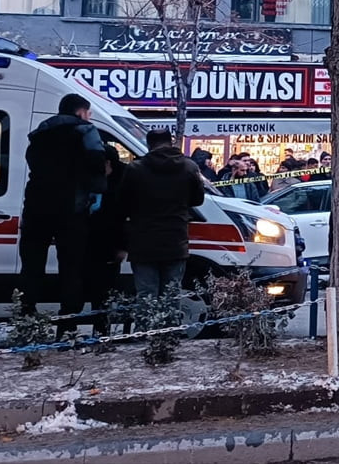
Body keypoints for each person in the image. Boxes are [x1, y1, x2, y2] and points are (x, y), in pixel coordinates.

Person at [18, 93, 107, 326]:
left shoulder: (40, 132)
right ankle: (68, 319)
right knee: (71, 266)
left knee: (32, 263)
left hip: (36, 205)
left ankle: (26, 314)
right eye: (88, 113)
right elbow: (97, 163)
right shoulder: (85, 130)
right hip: (71, 207)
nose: (89, 117)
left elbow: (33, 162)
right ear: (80, 112)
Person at [119, 129, 206, 299]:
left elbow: (122, 203)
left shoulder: (135, 169)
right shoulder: (189, 167)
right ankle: (170, 326)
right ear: (171, 142)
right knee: (171, 295)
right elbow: (198, 200)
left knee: (146, 296)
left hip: (143, 241)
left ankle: (148, 326)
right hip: (175, 240)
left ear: (149, 144)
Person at [85, 146, 128, 333]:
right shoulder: (94, 177)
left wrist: (122, 246)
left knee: (107, 290)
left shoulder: (122, 181)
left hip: (111, 243)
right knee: (94, 289)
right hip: (91, 241)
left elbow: (124, 216)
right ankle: (99, 328)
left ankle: (103, 330)